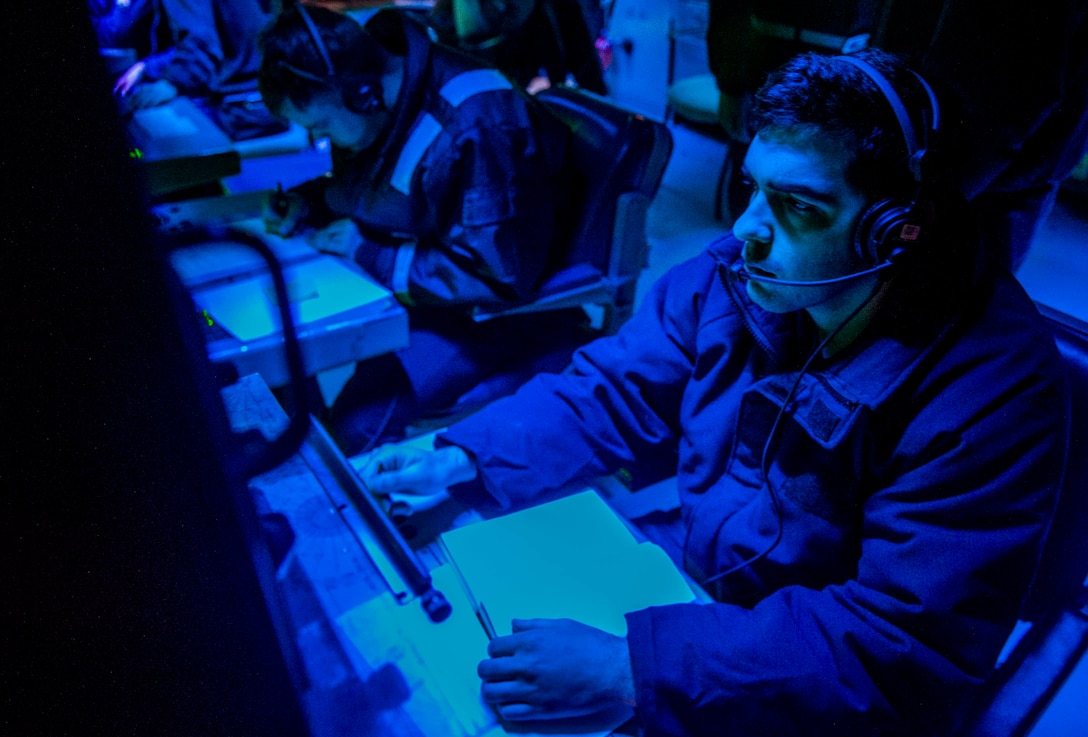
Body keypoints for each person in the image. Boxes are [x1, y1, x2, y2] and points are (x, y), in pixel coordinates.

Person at [358, 48, 1070, 734]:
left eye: (797, 206)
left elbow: (900, 645)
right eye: (754, 187)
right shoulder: (736, 276)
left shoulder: (995, 390)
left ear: (894, 232)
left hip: (813, 670)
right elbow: (613, 388)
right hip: (703, 580)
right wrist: (467, 457)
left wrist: (637, 672)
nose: (746, 228)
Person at [258, 4, 592, 453]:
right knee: (280, 369)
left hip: (493, 315)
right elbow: (375, 184)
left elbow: (496, 273)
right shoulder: (384, 96)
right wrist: (309, 203)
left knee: (355, 431)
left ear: (362, 94)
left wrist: (367, 252)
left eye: (322, 126)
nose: (327, 142)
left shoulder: (475, 123)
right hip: (430, 292)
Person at [872, 0, 1088, 271]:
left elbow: (1000, 103)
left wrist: (922, 203)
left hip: (978, 179)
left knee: (938, 288)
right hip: (993, 174)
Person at [705, 0, 882, 224]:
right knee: (755, 177)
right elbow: (728, 9)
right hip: (764, 61)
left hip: (855, 67)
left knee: (830, 186)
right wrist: (731, 84)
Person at [113, 0, 287, 140]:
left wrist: (172, 82)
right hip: (268, 102)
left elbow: (203, 46)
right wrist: (149, 67)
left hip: (240, 110)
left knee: (148, 139)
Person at [424, 0, 607, 94]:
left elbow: (585, 63)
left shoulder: (554, 6)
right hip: (485, 116)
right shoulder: (450, 15)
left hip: (540, 116)